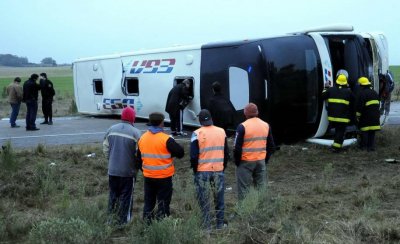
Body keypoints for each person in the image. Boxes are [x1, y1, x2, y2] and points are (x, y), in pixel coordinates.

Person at [136, 112, 184, 223]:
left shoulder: (142, 138)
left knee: (149, 203)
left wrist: (145, 170)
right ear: (162, 123)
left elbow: (138, 160)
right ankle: (162, 225)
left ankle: (147, 226)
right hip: (164, 177)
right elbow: (180, 153)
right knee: (163, 203)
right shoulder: (166, 139)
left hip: (148, 177)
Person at [190, 109, 229, 230]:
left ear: (200, 120)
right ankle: (220, 224)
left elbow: (193, 156)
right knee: (219, 199)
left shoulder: (196, 133)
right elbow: (226, 153)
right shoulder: (222, 132)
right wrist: (222, 167)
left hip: (202, 171)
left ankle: (206, 226)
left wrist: (196, 171)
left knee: (204, 200)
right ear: (211, 118)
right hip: (218, 169)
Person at [103, 106, 142, 225]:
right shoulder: (136, 133)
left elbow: (105, 149)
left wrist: (111, 160)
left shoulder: (111, 129)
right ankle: (123, 222)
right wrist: (136, 167)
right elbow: (139, 155)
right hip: (128, 172)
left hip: (113, 170)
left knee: (113, 196)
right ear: (132, 118)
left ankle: (110, 219)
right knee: (126, 198)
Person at [234, 103, 275, 200]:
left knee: (243, 189)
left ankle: (243, 210)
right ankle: (262, 209)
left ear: (245, 113)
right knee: (261, 188)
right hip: (260, 161)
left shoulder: (242, 126)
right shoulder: (266, 125)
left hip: (245, 162)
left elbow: (237, 148)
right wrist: (265, 160)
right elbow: (271, 146)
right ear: (257, 112)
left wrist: (237, 162)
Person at [321, 74, 354, 151]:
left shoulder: (331, 89)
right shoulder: (348, 92)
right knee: (340, 132)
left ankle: (335, 146)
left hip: (332, 117)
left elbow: (323, 96)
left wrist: (326, 87)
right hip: (343, 118)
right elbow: (354, 102)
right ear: (346, 82)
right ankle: (336, 148)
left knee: (337, 131)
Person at [355, 77, 381, 151]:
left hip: (366, 116)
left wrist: (357, 116)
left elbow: (360, 106)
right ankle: (371, 147)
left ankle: (363, 147)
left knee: (365, 131)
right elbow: (378, 104)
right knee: (372, 132)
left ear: (361, 85)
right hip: (375, 115)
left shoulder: (362, 93)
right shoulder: (374, 92)